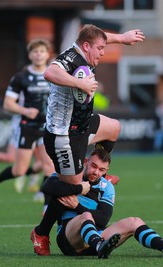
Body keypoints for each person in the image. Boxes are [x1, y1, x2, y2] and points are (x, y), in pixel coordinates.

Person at [30, 24, 145, 256]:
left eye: (104, 48)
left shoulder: (86, 45)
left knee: (114, 128)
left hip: (82, 124)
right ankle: (41, 232)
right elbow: (49, 73)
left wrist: (121, 39)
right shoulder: (69, 58)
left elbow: (97, 37)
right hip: (64, 136)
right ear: (85, 47)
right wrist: (80, 83)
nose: (103, 52)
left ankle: (98, 171)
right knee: (71, 191)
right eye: (100, 49)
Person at [37, 148, 163, 258]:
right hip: (69, 240)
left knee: (134, 221)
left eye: (102, 170)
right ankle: (100, 246)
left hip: (97, 238)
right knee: (86, 215)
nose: (96, 172)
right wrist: (79, 189)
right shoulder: (71, 175)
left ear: (106, 171)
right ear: (86, 162)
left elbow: (102, 220)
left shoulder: (107, 187)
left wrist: (76, 206)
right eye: (94, 166)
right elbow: (47, 186)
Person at [0, 39, 55, 201]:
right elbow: (8, 104)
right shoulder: (21, 77)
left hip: (47, 127)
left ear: (47, 54)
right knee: (19, 171)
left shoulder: (53, 74)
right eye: (35, 51)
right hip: (26, 127)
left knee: (49, 166)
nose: (39, 54)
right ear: (30, 55)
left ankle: (46, 206)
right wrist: (25, 110)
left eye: (42, 51)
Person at [0, 114, 43, 194]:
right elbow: (10, 105)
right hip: (21, 128)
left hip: (37, 126)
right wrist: (26, 111)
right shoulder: (24, 105)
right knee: (11, 158)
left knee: (41, 159)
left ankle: (32, 183)